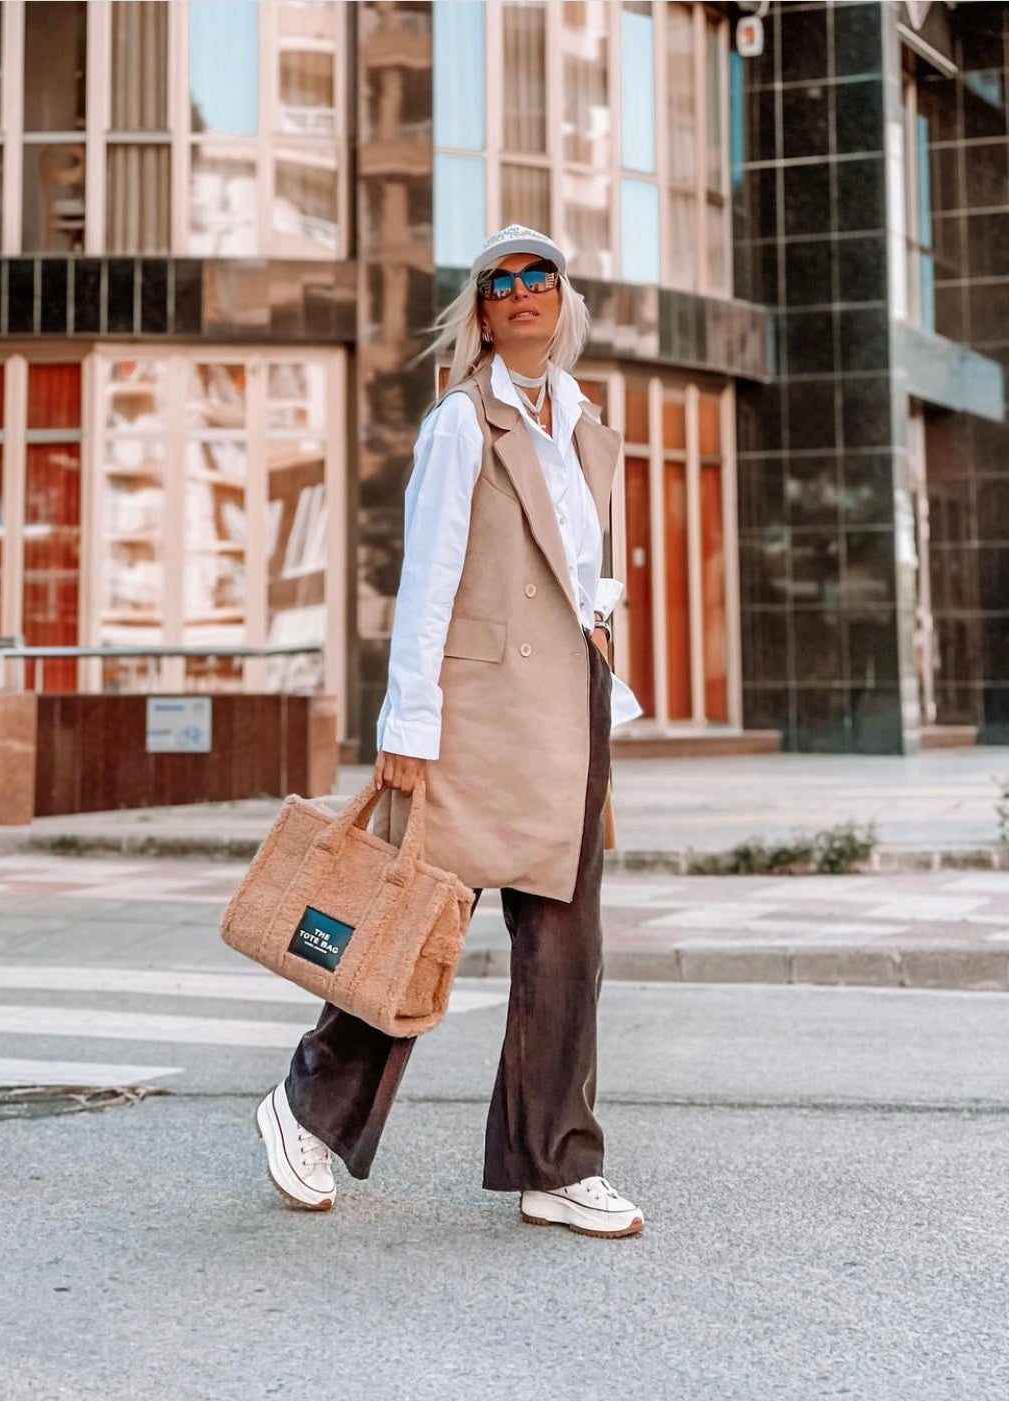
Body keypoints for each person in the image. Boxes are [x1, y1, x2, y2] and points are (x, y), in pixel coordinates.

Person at [256, 225, 645, 1239]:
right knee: (413, 925)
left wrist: (607, 640)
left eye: (537, 277)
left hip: (570, 710)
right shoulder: (462, 424)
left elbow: (587, 571)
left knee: (567, 946)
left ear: (563, 299)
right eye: (498, 281)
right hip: (474, 717)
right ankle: (307, 1108)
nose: (519, 293)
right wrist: (408, 723)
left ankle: (551, 1166)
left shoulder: (587, 424)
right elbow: (425, 581)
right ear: (480, 309)